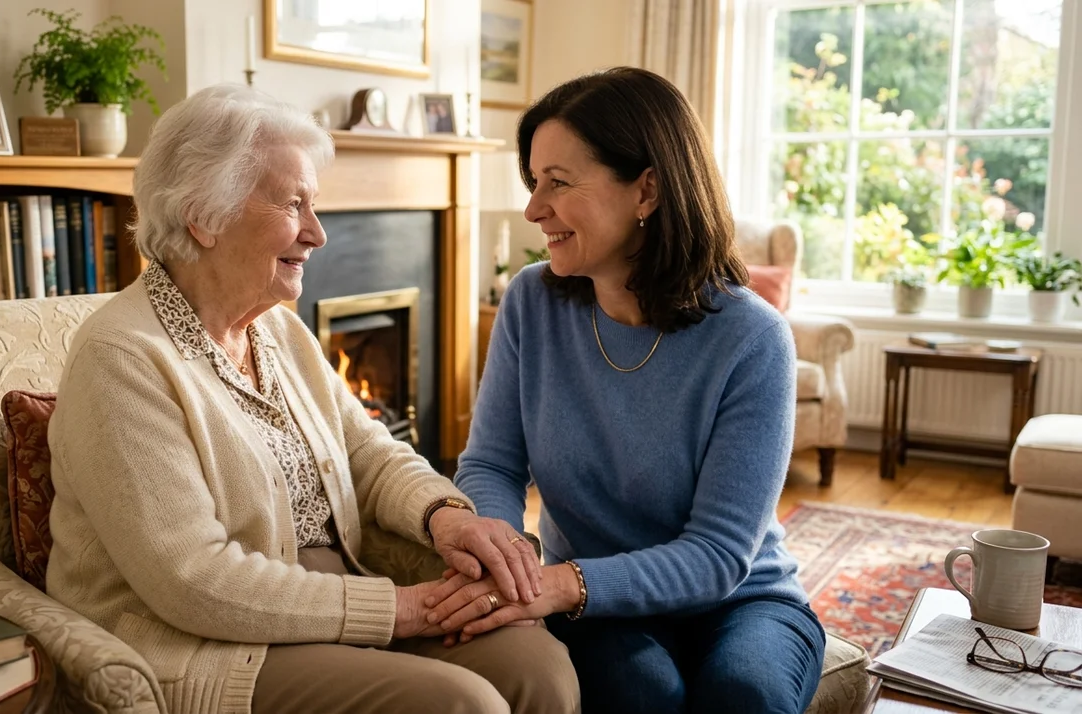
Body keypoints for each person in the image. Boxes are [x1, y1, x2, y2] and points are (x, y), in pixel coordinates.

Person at [45, 83, 579, 714]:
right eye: (294, 204)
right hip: (204, 639)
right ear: (202, 215)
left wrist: (447, 517)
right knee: (463, 705)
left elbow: (370, 452)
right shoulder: (123, 358)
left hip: (330, 597)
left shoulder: (274, 328)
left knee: (535, 665)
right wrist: (401, 609)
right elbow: (192, 580)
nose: (318, 234)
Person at [433, 67, 826, 713]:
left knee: (744, 695)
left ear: (647, 189)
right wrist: (504, 561)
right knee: (640, 692)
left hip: (739, 598)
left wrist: (558, 585)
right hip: (599, 602)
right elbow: (492, 462)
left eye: (557, 183)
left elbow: (718, 554)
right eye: (533, 182)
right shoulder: (531, 302)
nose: (534, 209)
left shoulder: (753, 338)